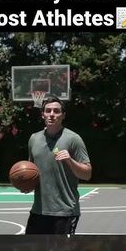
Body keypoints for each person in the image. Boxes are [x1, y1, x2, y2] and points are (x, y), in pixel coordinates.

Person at [25, 95, 92, 234]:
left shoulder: (73, 139)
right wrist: (26, 184)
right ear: (42, 114)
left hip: (65, 212)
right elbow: (32, 172)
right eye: (48, 111)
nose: (52, 114)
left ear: (63, 115)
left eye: (56, 111)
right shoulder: (34, 139)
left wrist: (70, 161)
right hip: (38, 211)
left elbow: (87, 174)